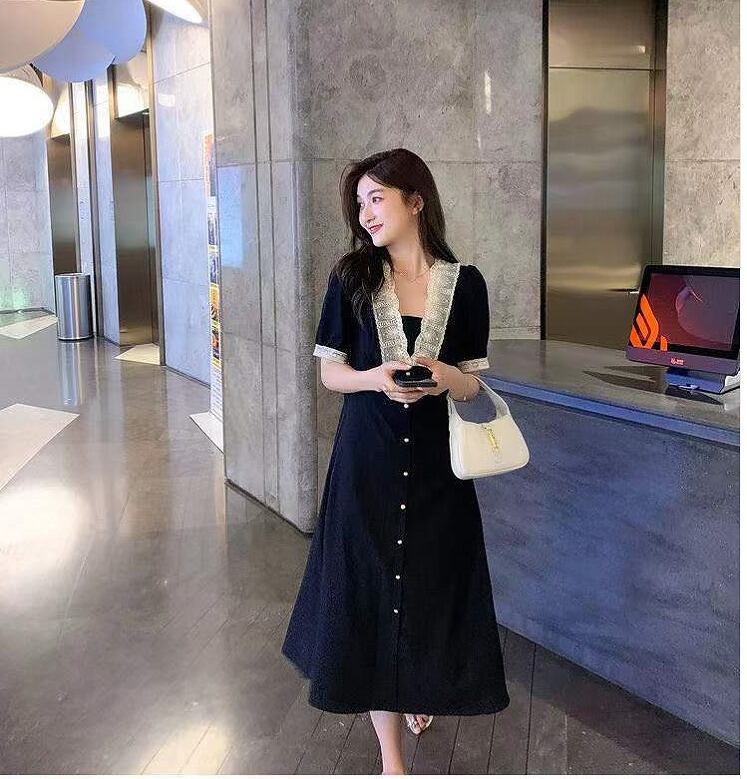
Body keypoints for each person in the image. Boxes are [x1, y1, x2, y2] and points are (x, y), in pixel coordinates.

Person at [281, 148, 510, 774]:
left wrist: (441, 376)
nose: (366, 213)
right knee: (371, 593)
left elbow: (473, 385)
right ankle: (392, 759)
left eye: (376, 198)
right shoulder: (350, 279)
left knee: (431, 588)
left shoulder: (466, 285)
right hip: (368, 465)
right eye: (360, 203)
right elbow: (331, 374)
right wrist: (376, 378)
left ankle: (417, 686)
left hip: (439, 473)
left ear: (416, 200)